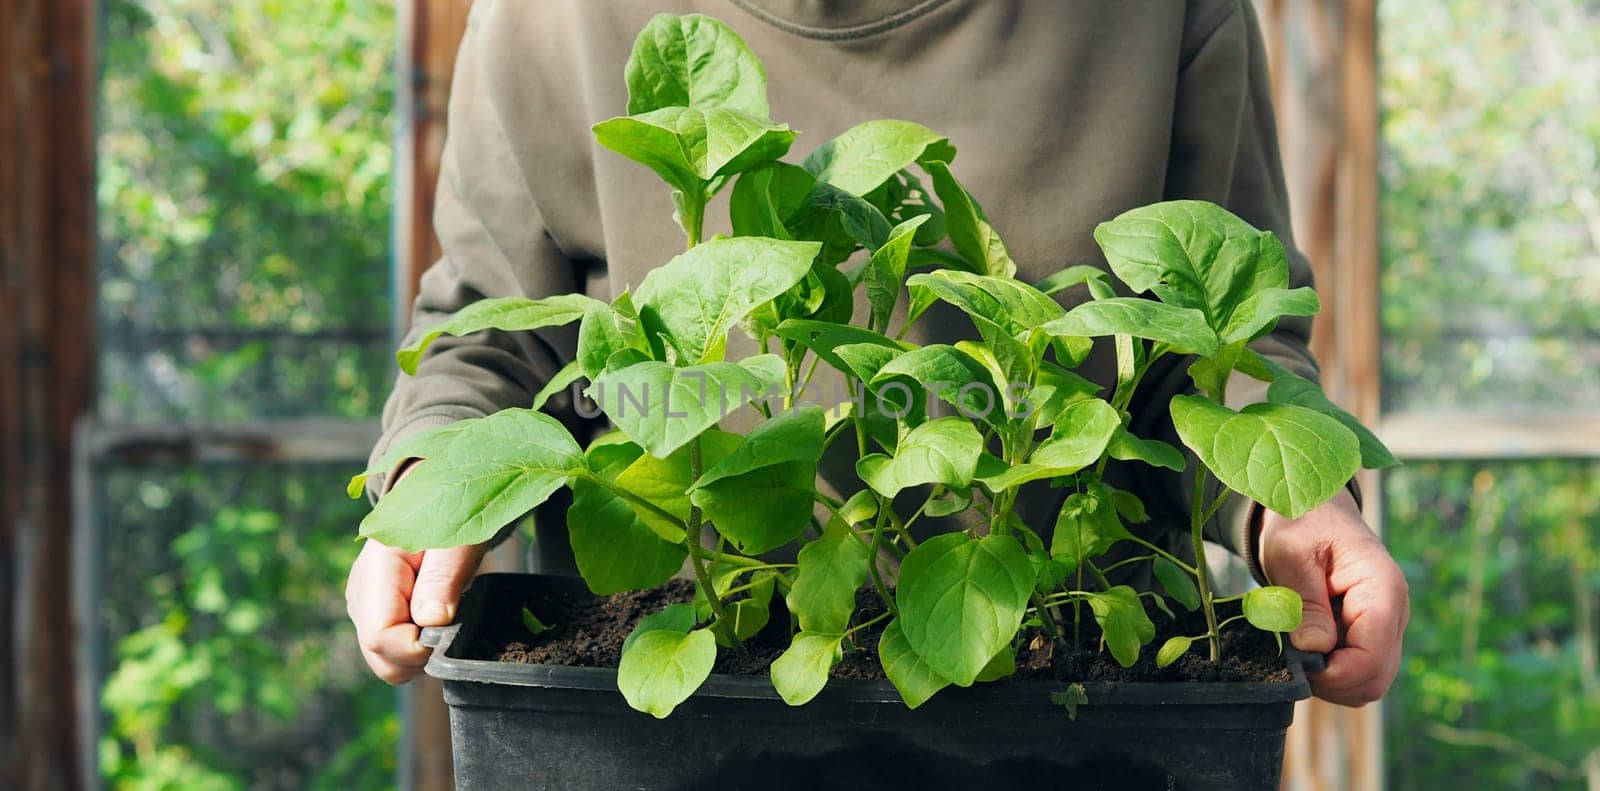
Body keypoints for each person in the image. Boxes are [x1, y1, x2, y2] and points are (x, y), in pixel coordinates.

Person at [344, 0, 1408, 707]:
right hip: (674, 710)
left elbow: (1224, 326)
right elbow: (488, 331)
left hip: (1070, 702)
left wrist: (1295, 500)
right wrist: (435, 482)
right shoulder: (549, 14)